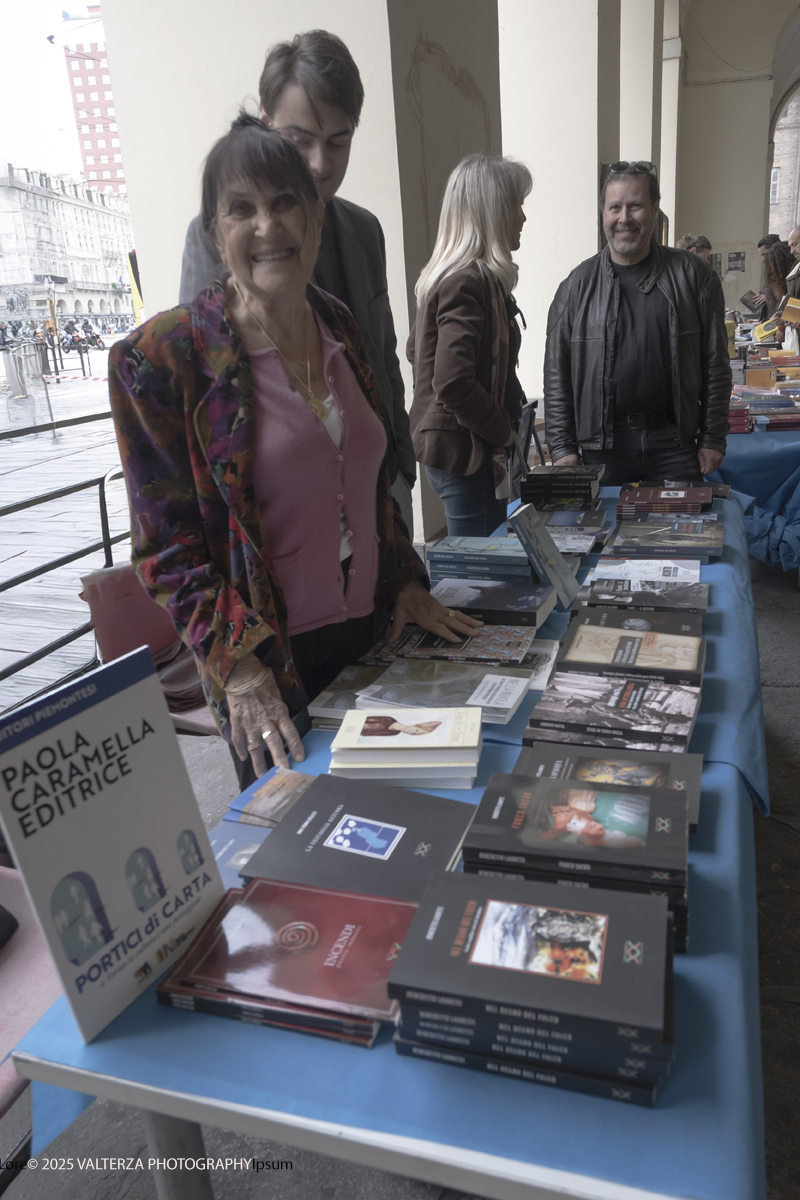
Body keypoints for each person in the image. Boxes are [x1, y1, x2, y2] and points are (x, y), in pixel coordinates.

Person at [109, 116, 482, 791]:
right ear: (215, 232)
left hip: (373, 635)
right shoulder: (167, 358)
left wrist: (405, 580)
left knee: (412, 818)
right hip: (268, 666)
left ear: (315, 216)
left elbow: (367, 488)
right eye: (241, 209)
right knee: (309, 870)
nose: (268, 226)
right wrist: (241, 667)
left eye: (286, 202)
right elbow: (164, 554)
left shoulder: (336, 321)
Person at [178, 30, 416, 536]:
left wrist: (402, 459)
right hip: (282, 500)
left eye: (337, 141)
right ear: (265, 123)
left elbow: (383, 350)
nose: (318, 164)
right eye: (298, 140)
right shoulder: (218, 237)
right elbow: (202, 384)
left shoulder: (365, 229)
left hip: (381, 479)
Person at [544, 160, 730, 485]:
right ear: (603, 212)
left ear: (655, 209)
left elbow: (715, 365)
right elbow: (557, 375)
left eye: (636, 206)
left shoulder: (694, 277)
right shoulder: (575, 287)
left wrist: (714, 436)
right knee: (603, 535)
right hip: (601, 449)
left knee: (678, 535)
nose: (624, 218)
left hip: (674, 445)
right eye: (614, 207)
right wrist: (562, 447)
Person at [407, 154, 531, 536]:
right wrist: (503, 432)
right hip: (468, 459)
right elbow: (451, 380)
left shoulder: (465, 277)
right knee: (481, 585)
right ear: (493, 212)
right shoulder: (467, 280)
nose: (523, 219)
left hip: (464, 457)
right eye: (517, 207)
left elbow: (418, 353)